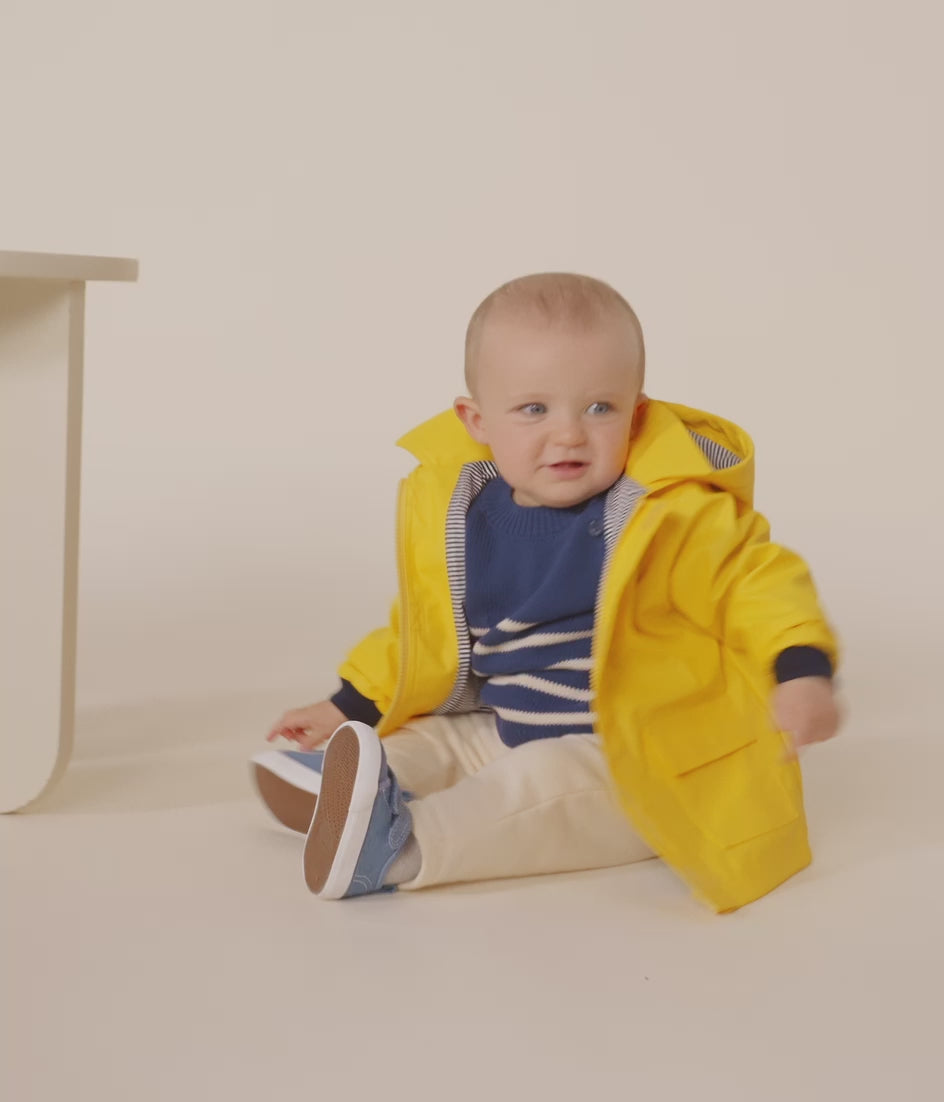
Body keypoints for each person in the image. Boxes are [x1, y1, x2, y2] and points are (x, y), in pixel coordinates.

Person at [251, 272, 841, 912]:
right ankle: (355, 790)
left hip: (628, 757)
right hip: (503, 725)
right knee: (429, 742)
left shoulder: (671, 515)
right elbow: (422, 635)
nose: (569, 434)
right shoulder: (466, 516)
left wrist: (800, 669)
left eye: (600, 408)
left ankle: (402, 847)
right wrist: (348, 705)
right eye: (535, 409)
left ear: (637, 415)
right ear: (477, 420)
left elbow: (753, 582)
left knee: (534, 787)